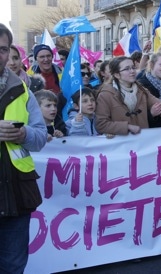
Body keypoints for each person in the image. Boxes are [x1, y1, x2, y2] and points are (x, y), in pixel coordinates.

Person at [0, 23, 47, 274]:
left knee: (13, 266)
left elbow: (40, 137)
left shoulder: (23, 90)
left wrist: (22, 133)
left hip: (17, 192)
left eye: (3, 49)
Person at [95, 56, 161, 135]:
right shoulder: (106, 94)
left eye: (133, 67)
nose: (132, 71)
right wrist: (126, 127)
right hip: (120, 146)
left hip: (141, 144)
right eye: (127, 69)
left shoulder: (141, 90)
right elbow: (101, 124)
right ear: (117, 74)